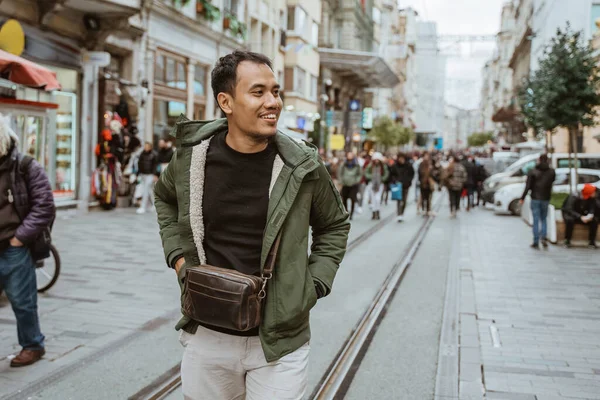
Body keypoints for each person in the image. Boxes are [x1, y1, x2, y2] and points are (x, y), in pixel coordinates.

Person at [154, 50, 350, 399]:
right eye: (258, 92)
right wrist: (178, 259)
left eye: (275, 92)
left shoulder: (301, 165)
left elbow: (334, 225)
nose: (272, 102)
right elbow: (164, 197)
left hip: (278, 341)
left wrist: (313, 284)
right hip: (208, 331)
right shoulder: (192, 157)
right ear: (226, 101)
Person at [0, 116, 54, 367]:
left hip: (13, 245)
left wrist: (19, 239)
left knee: (22, 301)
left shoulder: (25, 166)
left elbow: (44, 206)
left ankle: (33, 345)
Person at [519, 154, 556, 249]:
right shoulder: (551, 172)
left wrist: (522, 198)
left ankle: (536, 240)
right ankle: (543, 237)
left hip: (535, 198)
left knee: (536, 219)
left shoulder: (533, 171)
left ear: (539, 160)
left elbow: (528, 186)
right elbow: (552, 183)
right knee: (544, 219)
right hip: (546, 198)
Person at [561, 184, 597, 249]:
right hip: (572, 215)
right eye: (593, 192)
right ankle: (567, 240)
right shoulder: (574, 196)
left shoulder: (591, 198)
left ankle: (592, 241)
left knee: (594, 221)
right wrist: (580, 217)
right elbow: (569, 209)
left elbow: (592, 208)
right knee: (570, 220)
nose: (595, 193)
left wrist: (590, 215)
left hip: (583, 215)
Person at [389, 152, 415, 222]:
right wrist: (395, 181)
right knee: (399, 200)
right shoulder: (395, 166)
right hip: (398, 185)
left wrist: (409, 181)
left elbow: (412, 174)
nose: (401, 160)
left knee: (404, 201)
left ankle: (402, 213)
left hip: (406, 186)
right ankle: (399, 214)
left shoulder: (408, 166)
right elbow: (391, 175)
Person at [338, 152, 363, 220]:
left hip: (353, 185)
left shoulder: (357, 165)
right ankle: (346, 212)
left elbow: (360, 174)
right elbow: (340, 173)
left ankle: (351, 213)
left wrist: (356, 181)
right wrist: (341, 181)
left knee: (353, 199)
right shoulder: (343, 164)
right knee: (344, 199)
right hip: (345, 184)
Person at [364, 152, 389, 220]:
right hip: (372, 184)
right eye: (375, 159)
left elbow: (386, 173)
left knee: (378, 199)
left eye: (378, 159)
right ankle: (374, 213)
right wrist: (371, 177)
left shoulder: (383, 166)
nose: (376, 161)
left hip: (380, 184)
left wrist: (382, 179)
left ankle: (378, 211)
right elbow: (366, 172)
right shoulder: (370, 166)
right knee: (373, 199)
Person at [136, 142, 159, 214]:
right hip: (143, 174)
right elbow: (139, 164)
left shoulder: (154, 154)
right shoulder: (142, 154)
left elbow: (156, 165)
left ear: (150, 147)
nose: (145, 147)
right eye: (145, 146)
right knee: (149, 190)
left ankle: (143, 207)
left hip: (150, 175)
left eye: (147, 146)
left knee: (146, 190)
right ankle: (156, 205)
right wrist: (138, 173)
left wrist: (155, 175)